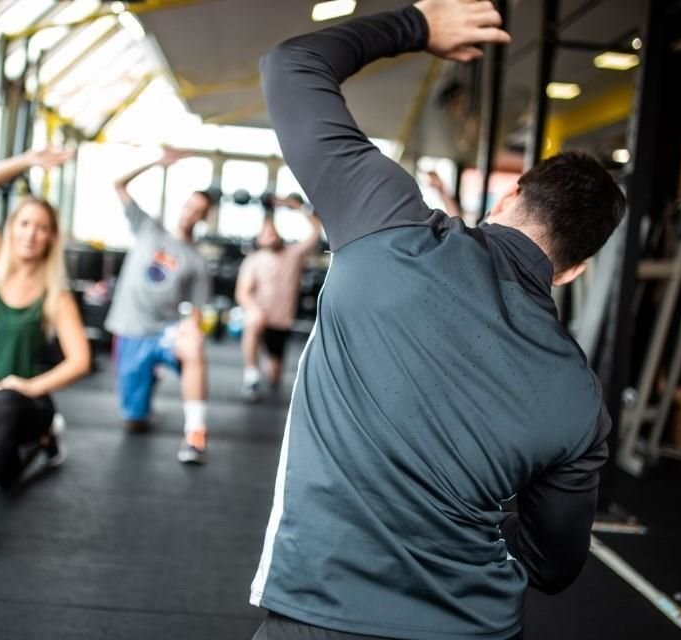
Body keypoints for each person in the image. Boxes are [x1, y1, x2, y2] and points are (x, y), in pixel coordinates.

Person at [250, 2, 625, 639]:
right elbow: (554, 565)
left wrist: (418, 25)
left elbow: (292, 65)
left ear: (508, 197)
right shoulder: (578, 396)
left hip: (322, 616)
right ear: (574, 270)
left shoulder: (386, 223)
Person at [0, 148, 91, 560]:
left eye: (41, 227)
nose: (30, 233)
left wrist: (28, 386)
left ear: (51, 238)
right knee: (3, 474)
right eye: (24, 223)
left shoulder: (55, 293)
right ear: (11, 227)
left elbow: (79, 360)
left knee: (5, 404)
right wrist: (29, 160)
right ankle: (48, 441)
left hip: (23, 401)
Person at [108, 149, 213, 464]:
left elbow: (195, 311)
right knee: (134, 421)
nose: (191, 213)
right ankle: (147, 379)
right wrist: (156, 162)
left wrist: (192, 335)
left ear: (204, 218)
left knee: (193, 347)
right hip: (130, 328)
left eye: (199, 210)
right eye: (190, 205)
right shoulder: (148, 229)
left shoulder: (196, 261)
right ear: (182, 206)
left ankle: (195, 434)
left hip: (165, 331)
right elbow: (119, 184)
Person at [235, 195, 322, 401]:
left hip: (281, 322)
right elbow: (242, 292)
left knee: (274, 376)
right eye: (265, 233)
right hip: (260, 319)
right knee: (252, 322)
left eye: (272, 231)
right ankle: (251, 376)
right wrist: (254, 309)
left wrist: (297, 206)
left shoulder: (294, 254)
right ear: (258, 240)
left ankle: (268, 366)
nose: (270, 234)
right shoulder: (253, 261)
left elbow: (316, 231)